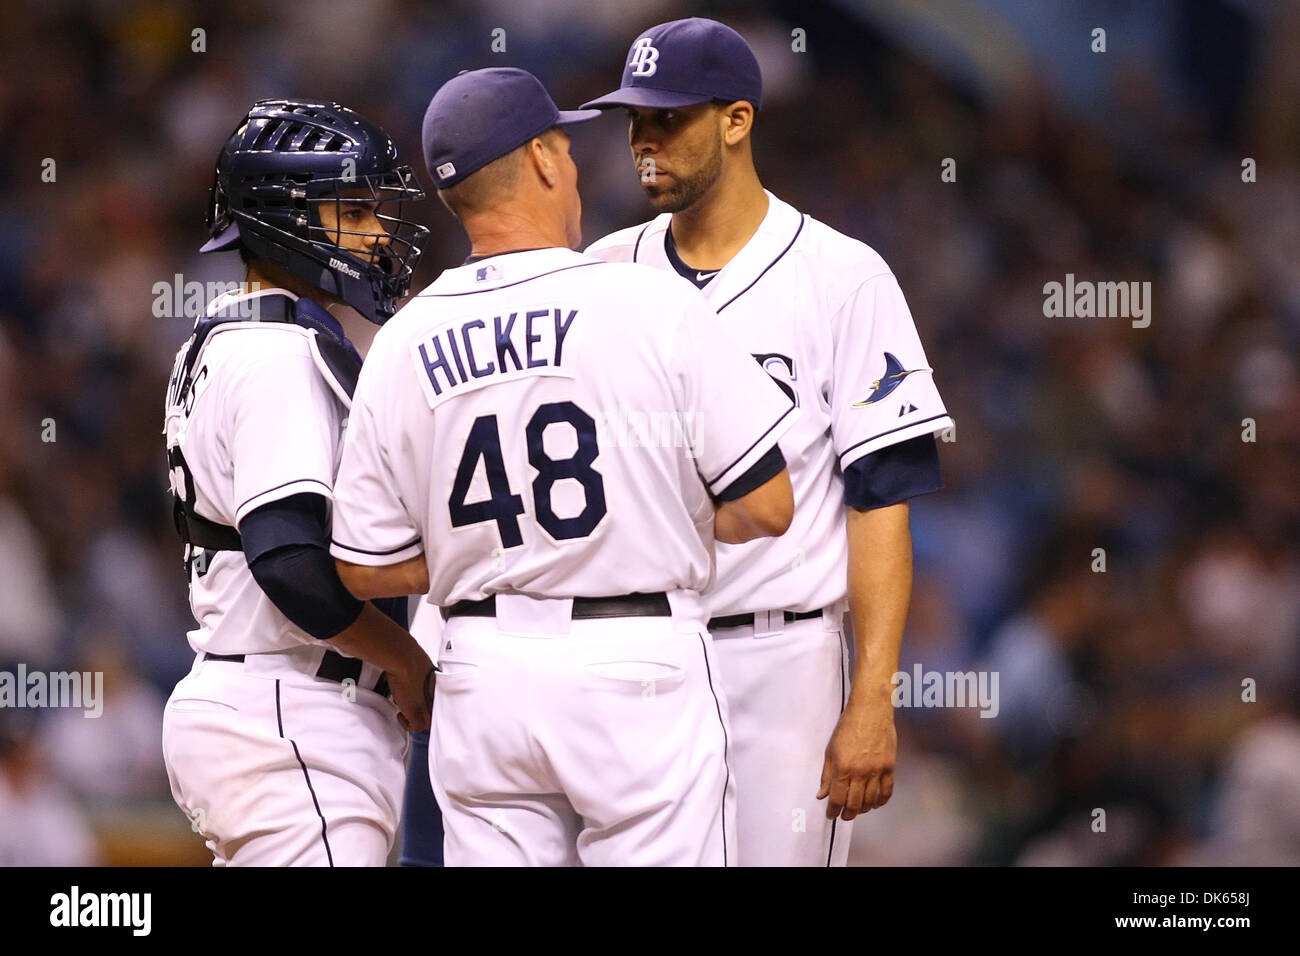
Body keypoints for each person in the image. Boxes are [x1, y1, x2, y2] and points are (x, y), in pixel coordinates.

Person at [329, 67, 797, 866]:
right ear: (544, 159)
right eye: (567, 148)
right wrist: (640, 506)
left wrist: (470, 551)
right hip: (634, 662)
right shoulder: (649, 303)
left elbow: (361, 569)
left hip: (484, 671)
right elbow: (768, 508)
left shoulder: (402, 341)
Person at [582, 18, 955, 866]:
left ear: (737, 121)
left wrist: (872, 700)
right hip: (632, 648)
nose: (643, 141)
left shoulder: (841, 276)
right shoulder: (602, 275)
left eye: (667, 118)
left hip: (780, 659)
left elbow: (881, 501)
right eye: (634, 120)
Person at [161, 99, 436, 866]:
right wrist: (404, 658)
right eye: (351, 209)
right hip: (290, 710)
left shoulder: (226, 336)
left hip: (270, 702)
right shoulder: (278, 354)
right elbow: (290, 565)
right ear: (285, 218)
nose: (376, 232)